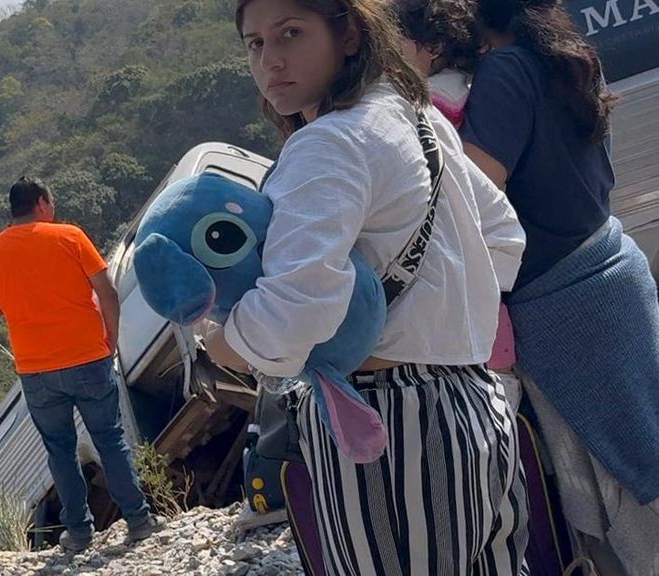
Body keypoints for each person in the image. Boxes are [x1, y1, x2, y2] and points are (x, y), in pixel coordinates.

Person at [204, 0, 529, 573]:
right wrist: (442, 316)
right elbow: (504, 238)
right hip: (476, 402)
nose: (271, 60)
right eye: (255, 44)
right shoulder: (412, 116)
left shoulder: (327, 143)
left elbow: (292, 315)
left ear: (348, 32)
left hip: (387, 424)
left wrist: (225, 344)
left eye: (291, 33)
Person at [461, 0, 659, 572]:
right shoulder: (571, 59)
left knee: (622, 483)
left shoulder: (504, 72)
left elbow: (474, 198)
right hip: (613, 268)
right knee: (640, 455)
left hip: (565, 305)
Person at [0, 176, 164, 553]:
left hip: (36, 371)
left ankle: (78, 534)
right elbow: (106, 291)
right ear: (42, 203)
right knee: (110, 440)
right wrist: (110, 340)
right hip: (88, 358)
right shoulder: (70, 236)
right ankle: (139, 521)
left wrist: (10, 301)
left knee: (59, 450)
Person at [392, 0, 521, 405]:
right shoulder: (472, 85)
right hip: (487, 264)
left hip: (458, 258)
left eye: (394, 43)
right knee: (500, 371)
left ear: (428, 46)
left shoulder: (426, 104)